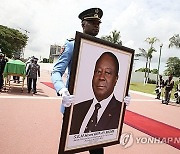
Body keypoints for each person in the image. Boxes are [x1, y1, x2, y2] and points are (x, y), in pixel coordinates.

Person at [51, 8, 130, 154]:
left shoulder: (102, 48)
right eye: (92, 22)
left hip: (98, 108)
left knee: (97, 147)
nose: (96, 26)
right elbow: (56, 71)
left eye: (98, 23)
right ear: (83, 24)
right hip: (74, 105)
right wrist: (62, 90)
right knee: (69, 147)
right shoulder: (71, 44)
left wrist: (123, 93)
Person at [70, 52, 125, 135]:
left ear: (116, 79)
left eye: (108, 73)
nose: (101, 77)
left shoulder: (119, 112)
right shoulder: (76, 109)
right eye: (98, 71)